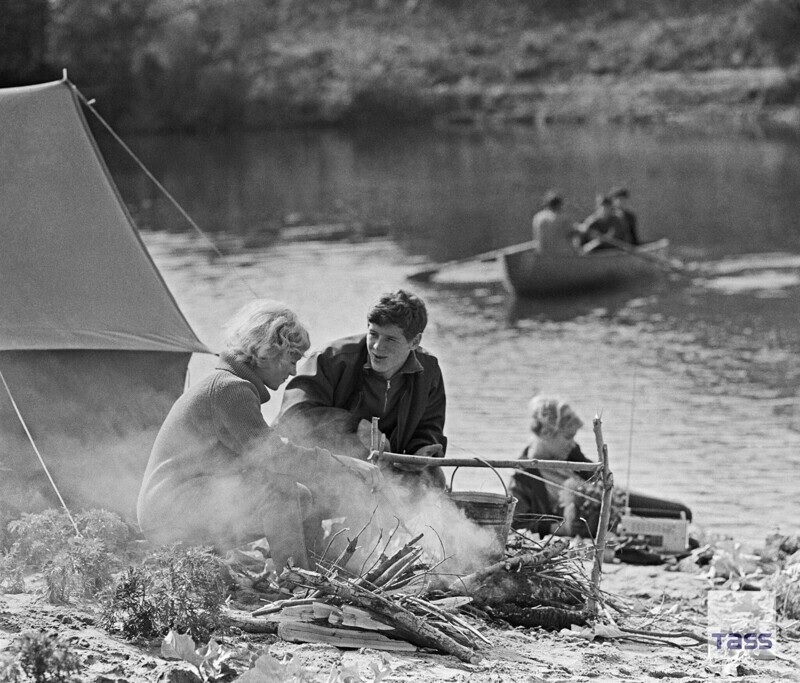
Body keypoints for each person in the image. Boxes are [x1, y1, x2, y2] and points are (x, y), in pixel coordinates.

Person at [136, 300, 383, 572]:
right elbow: (276, 457)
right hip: (169, 518)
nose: (293, 371)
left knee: (298, 494)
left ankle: (303, 565)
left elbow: (266, 456)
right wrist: (346, 464)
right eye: (292, 359)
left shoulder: (231, 385)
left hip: (178, 508)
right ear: (267, 350)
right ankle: (295, 580)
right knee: (282, 492)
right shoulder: (231, 390)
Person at [275, 289, 446, 491]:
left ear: (414, 342)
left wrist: (421, 451)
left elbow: (430, 425)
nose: (376, 346)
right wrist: (355, 425)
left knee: (435, 479)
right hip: (326, 464)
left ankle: (396, 521)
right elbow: (293, 417)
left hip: (385, 467)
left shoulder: (429, 369)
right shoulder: (331, 358)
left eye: (390, 339)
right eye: (373, 334)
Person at [510, 396, 692, 537]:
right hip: (588, 524)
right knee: (679, 532)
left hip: (611, 504)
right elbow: (518, 523)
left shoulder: (570, 453)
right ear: (547, 433)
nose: (572, 443)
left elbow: (602, 478)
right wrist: (560, 528)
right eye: (568, 436)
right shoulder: (522, 477)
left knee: (682, 513)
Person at [531, 190, 574, 254]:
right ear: (559, 205)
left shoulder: (537, 217)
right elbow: (571, 235)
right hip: (558, 256)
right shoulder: (562, 219)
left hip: (541, 255)